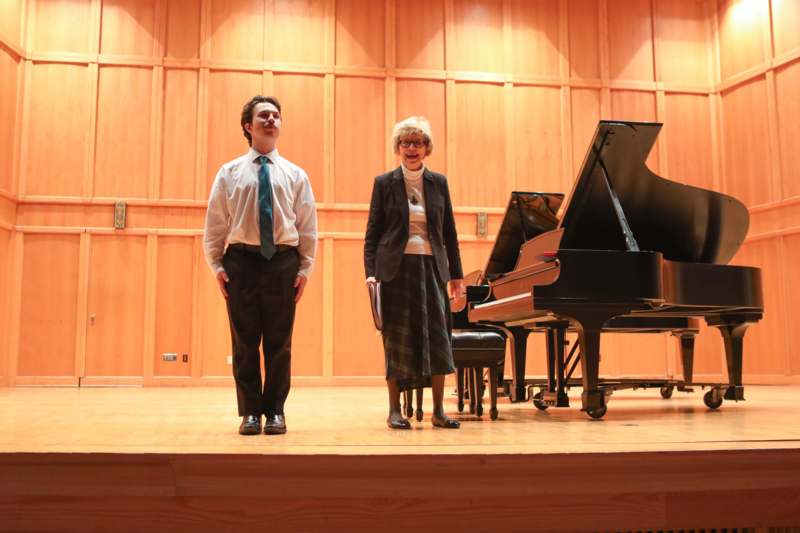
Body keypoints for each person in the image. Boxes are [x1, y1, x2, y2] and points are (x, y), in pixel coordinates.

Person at [203, 95, 317, 436]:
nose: (271, 120)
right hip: (241, 263)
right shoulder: (229, 173)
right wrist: (216, 266)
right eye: (263, 115)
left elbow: (308, 226)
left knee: (280, 344)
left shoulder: (296, 175)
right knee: (244, 342)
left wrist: (304, 270)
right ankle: (250, 412)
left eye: (276, 115)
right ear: (248, 126)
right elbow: (215, 225)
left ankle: (276, 412)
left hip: (282, 262)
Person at [364, 116, 464, 430]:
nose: (411, 148)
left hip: (432, 268)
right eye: (406, 143)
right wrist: (371, 274)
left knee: (437, 337)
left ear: (426, 148)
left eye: (417, 143)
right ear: (398, 147)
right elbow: (372, 234)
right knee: (396, 339)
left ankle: (438, 411)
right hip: (394, 270)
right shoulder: (384, 183)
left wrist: (456, 277)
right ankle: (395, 410)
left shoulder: (439, 183)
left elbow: (449, 232)